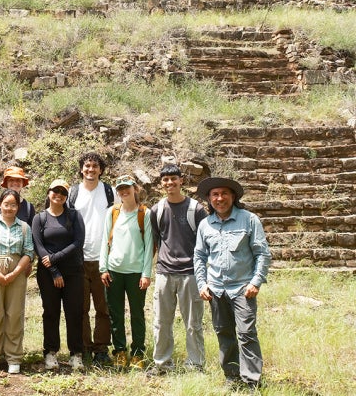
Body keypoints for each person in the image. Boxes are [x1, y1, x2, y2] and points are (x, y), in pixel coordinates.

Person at [194, 177, 271, 390]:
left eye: (224, 193)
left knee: (246, 334)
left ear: (233, 196)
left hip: (243, 289)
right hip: (216, 289)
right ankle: (232, 376)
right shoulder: (205, 224)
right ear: (209, 199)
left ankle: (252, 380)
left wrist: (256, 282)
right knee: (224, 333)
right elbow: (199, 256)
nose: (220, 198)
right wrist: (202, 283)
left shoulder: (249, 220)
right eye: (215, 195)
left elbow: (262, 253)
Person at [148, 164, 208, 375]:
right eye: (165, 179)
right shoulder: (157, 210)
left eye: (174, 178)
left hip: (190, 273)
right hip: (164, 272)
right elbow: (156, 240)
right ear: (161, 183)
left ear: (181, 180)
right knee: (161, 322)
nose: (170, 183)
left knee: (193, 323)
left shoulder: (196, 209)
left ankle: (196, 365)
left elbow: (205, 241)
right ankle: (162, 363)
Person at [99, 175, 153, 370]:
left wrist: (146, 273)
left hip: (136, 272)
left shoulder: (145, 213)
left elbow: (149, 246)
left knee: (137, 314)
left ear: (135, 189)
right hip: (114, 271)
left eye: (127, 188)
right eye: (120, 189)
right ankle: (120, 351)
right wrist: (103, 268)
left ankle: (138, 353)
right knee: (116, 314)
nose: (124, 192)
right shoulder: (112, 212)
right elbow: (105, 240)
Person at [32, 179, 86, 371]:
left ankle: (76, 354)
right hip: (48, 274)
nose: (59, 195)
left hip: (73, 272)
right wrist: (54, 270)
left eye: (63, 192)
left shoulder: (74, 215)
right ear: (49, 193)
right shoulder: (39, 218)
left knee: (74, 312)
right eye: (55, 191)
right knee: (51, 312)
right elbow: (38, 245)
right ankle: (50, 352)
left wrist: (55, 258)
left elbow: (78, 242)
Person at [67, 152, 115, 367]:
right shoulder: (73, 193)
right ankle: (84, 348)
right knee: (81, 308)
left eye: (95, 166)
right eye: (87, 166)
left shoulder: (109, 192)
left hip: (104, 259)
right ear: (81, 169)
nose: (91, 169)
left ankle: (102, 349)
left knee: (104, 308)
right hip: (78, 259)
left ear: (101, 170)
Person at [0, 189, 34, 374]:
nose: (9, 208)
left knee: (14, 314)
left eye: (13, 205)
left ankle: (13, 356)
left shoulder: (24, 227)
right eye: (6, 204)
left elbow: (28, 252)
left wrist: (15, 272)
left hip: (17, 271)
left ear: (18, 207)